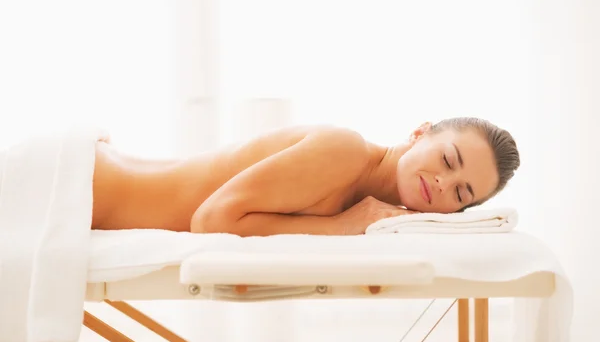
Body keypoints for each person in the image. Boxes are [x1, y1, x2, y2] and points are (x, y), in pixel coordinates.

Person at [91, 117, 520, 236]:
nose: (444, 184)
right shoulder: (345, 151)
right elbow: (210, 220)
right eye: (448, 160)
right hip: (85, 184)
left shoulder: (369, 203)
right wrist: (340, 227)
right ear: (419, 132)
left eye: (461, 192)